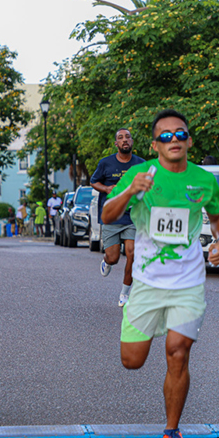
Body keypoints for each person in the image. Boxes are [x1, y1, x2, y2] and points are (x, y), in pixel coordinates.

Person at [102, 109, 219, 438]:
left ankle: (172, 433)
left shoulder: (204, 180)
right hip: (146, 283)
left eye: (180, 134)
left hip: (187, 282)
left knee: (178, 351)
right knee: (132, 361)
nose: (174, 140)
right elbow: (107, 215)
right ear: (155, 144)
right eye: (166, 136)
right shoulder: (139, 174)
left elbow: (218, 219)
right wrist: (130, 192)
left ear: (188, 140)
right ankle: (142, 323)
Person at [90, 128, 145, 306]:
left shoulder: (141, 164)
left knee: (132, 254)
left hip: (133, 217)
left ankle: (125, 293)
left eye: (128, 137)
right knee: (113, 257)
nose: (125, 140)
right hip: (112, 217)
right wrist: (106, 189)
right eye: (120, 138)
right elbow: (93, 181)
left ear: (132, 142)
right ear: (116, 144)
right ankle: (107, 261)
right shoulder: (106, 163)